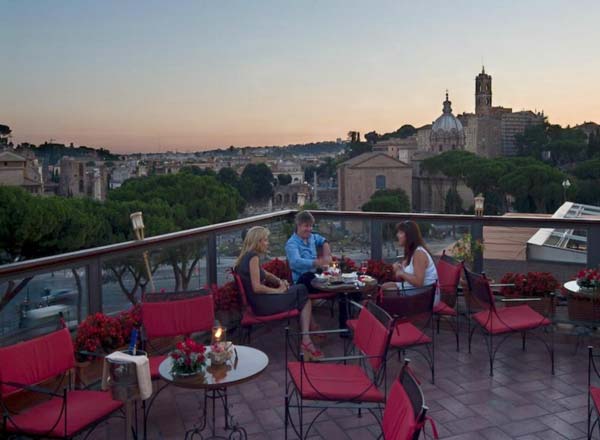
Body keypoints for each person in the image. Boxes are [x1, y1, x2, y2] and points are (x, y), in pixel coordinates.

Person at [235, 226, 322, 360]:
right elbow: (257, 287)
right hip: (262, 305)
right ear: (257, 242)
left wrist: (279, 281)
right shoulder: (253, 257)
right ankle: (306, 339)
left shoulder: (245, 257)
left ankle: (308, 336)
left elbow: (264, 274)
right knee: (302, 290)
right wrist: (278, 291)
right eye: (265, 240)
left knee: (301, 292)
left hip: (258, 303)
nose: (267, 242)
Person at [381, 220, 440, 304]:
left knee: (387, 292)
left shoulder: (419, 253)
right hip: (417, 290)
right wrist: (400, 269)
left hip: (425, 295)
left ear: (409, 236)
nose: (397, 235)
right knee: (383, 287)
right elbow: (410, 274)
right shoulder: (411, 251)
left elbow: (419, 282)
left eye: (401, 233)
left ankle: (394, 315)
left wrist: (401, 273)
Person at [285, 211, 332, 291]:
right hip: (302, 280)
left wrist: (327, 254)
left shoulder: (312, 237)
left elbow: (323, 240)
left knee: (337, 276)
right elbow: (295, 262)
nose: (309, 229)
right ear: (298, 226)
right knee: (310, 276)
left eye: (311, 226)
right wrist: (315, 263)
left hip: (316, 275)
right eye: (306, 226)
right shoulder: (292, 243)